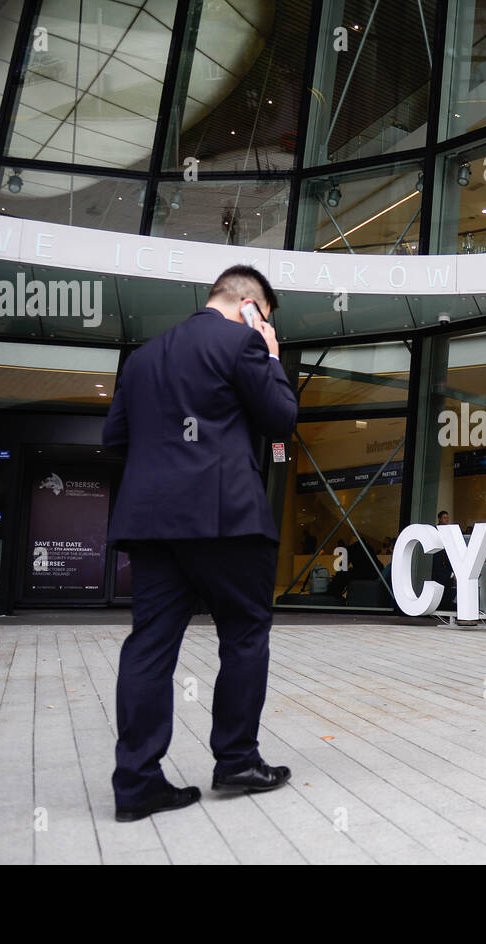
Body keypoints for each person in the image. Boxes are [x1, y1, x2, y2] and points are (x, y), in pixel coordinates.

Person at [103, 265, 298, 822]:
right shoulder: (243, 341)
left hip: (151, 523)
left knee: (149, 646)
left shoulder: (142, 357)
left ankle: (137, 783)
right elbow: (281, 420)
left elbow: (114, 437)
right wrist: (270, 352)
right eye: (266, 317)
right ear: (252, 306)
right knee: (243, 635)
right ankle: (236, 758)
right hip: (225, 519)